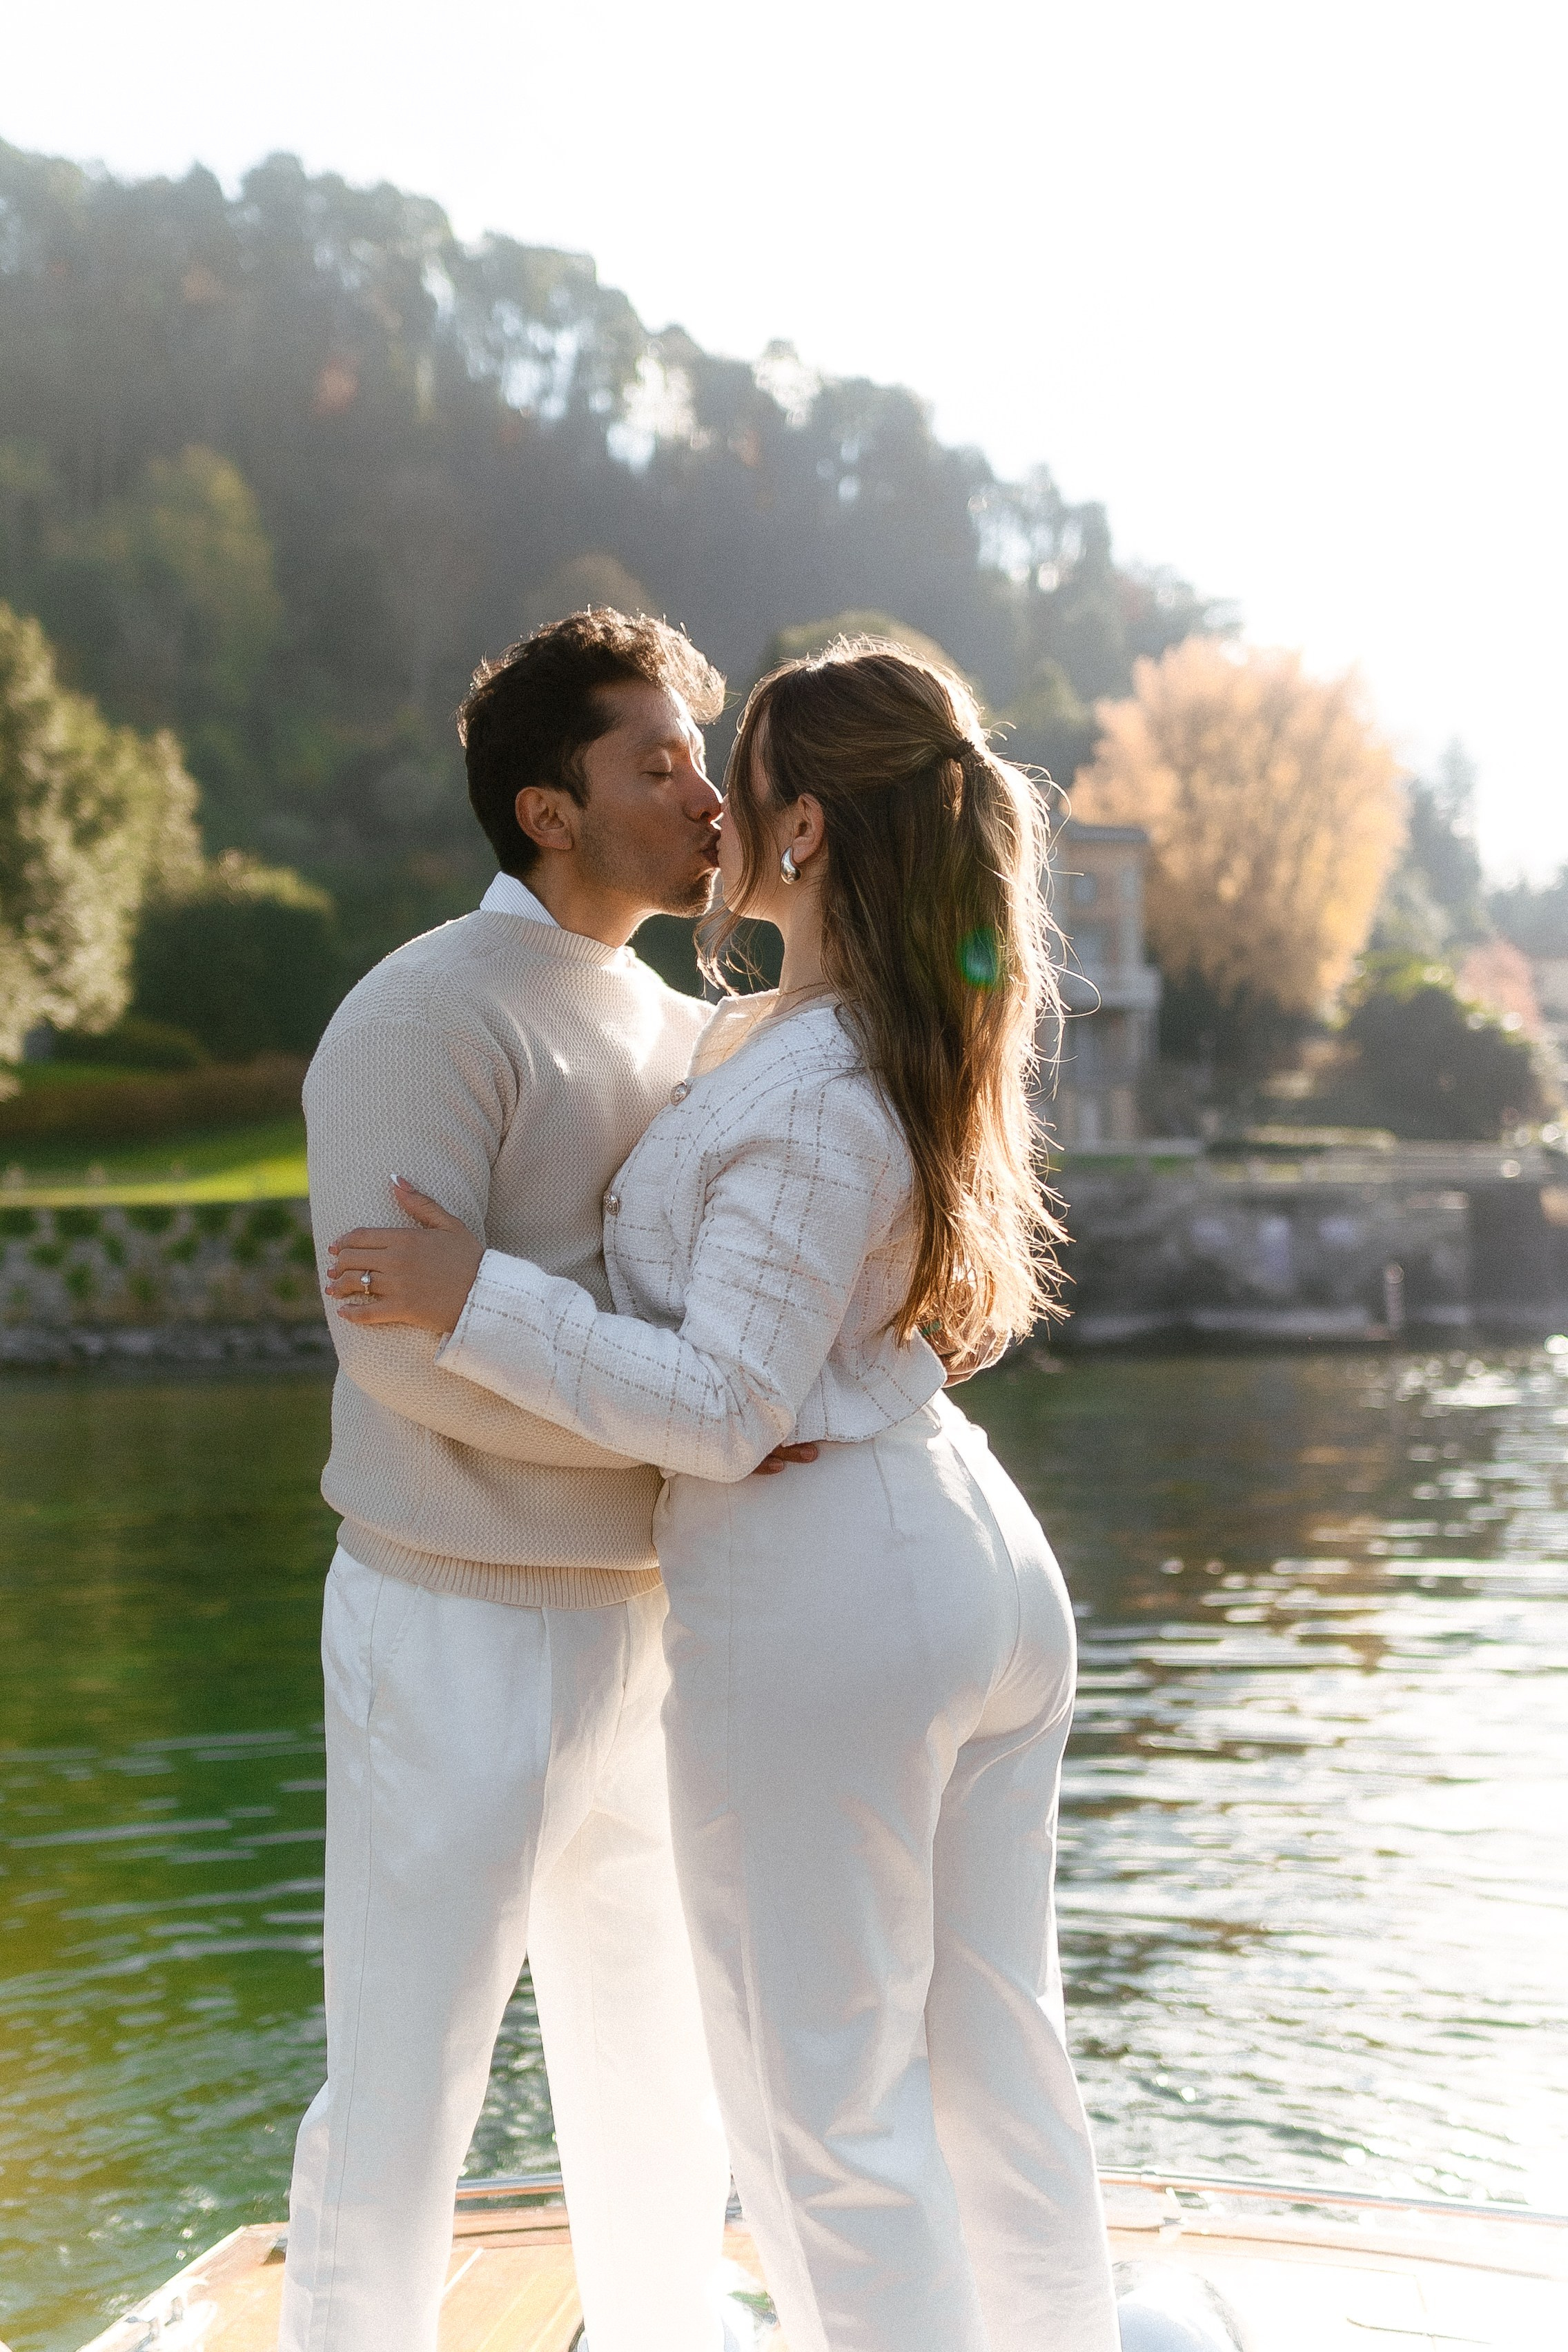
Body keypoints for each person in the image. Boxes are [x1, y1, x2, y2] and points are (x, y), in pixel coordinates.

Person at [329, 640, 1121, 2352]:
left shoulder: (806, 1075)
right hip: (946, 1546)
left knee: (819, 2107)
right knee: (994, 2064)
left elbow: (722, 1404)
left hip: (834, 1581)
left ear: (808, 835)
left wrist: (477, 1296)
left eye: (732, 778)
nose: (709, 806)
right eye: (672, 769)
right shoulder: (810, 1035)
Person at [282, 609, 810, 2352]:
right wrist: (682, 1420)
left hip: (656, 1616)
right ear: (547, 811)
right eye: (653, 761)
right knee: (411, 2067)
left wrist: (691, 1423)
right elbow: (397, 1346)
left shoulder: (682, 1025)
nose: (703, 791)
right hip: (453, 1618)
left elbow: (689, 1330)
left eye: (698, 754)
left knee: (655, 2055)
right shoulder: (419, 1012)